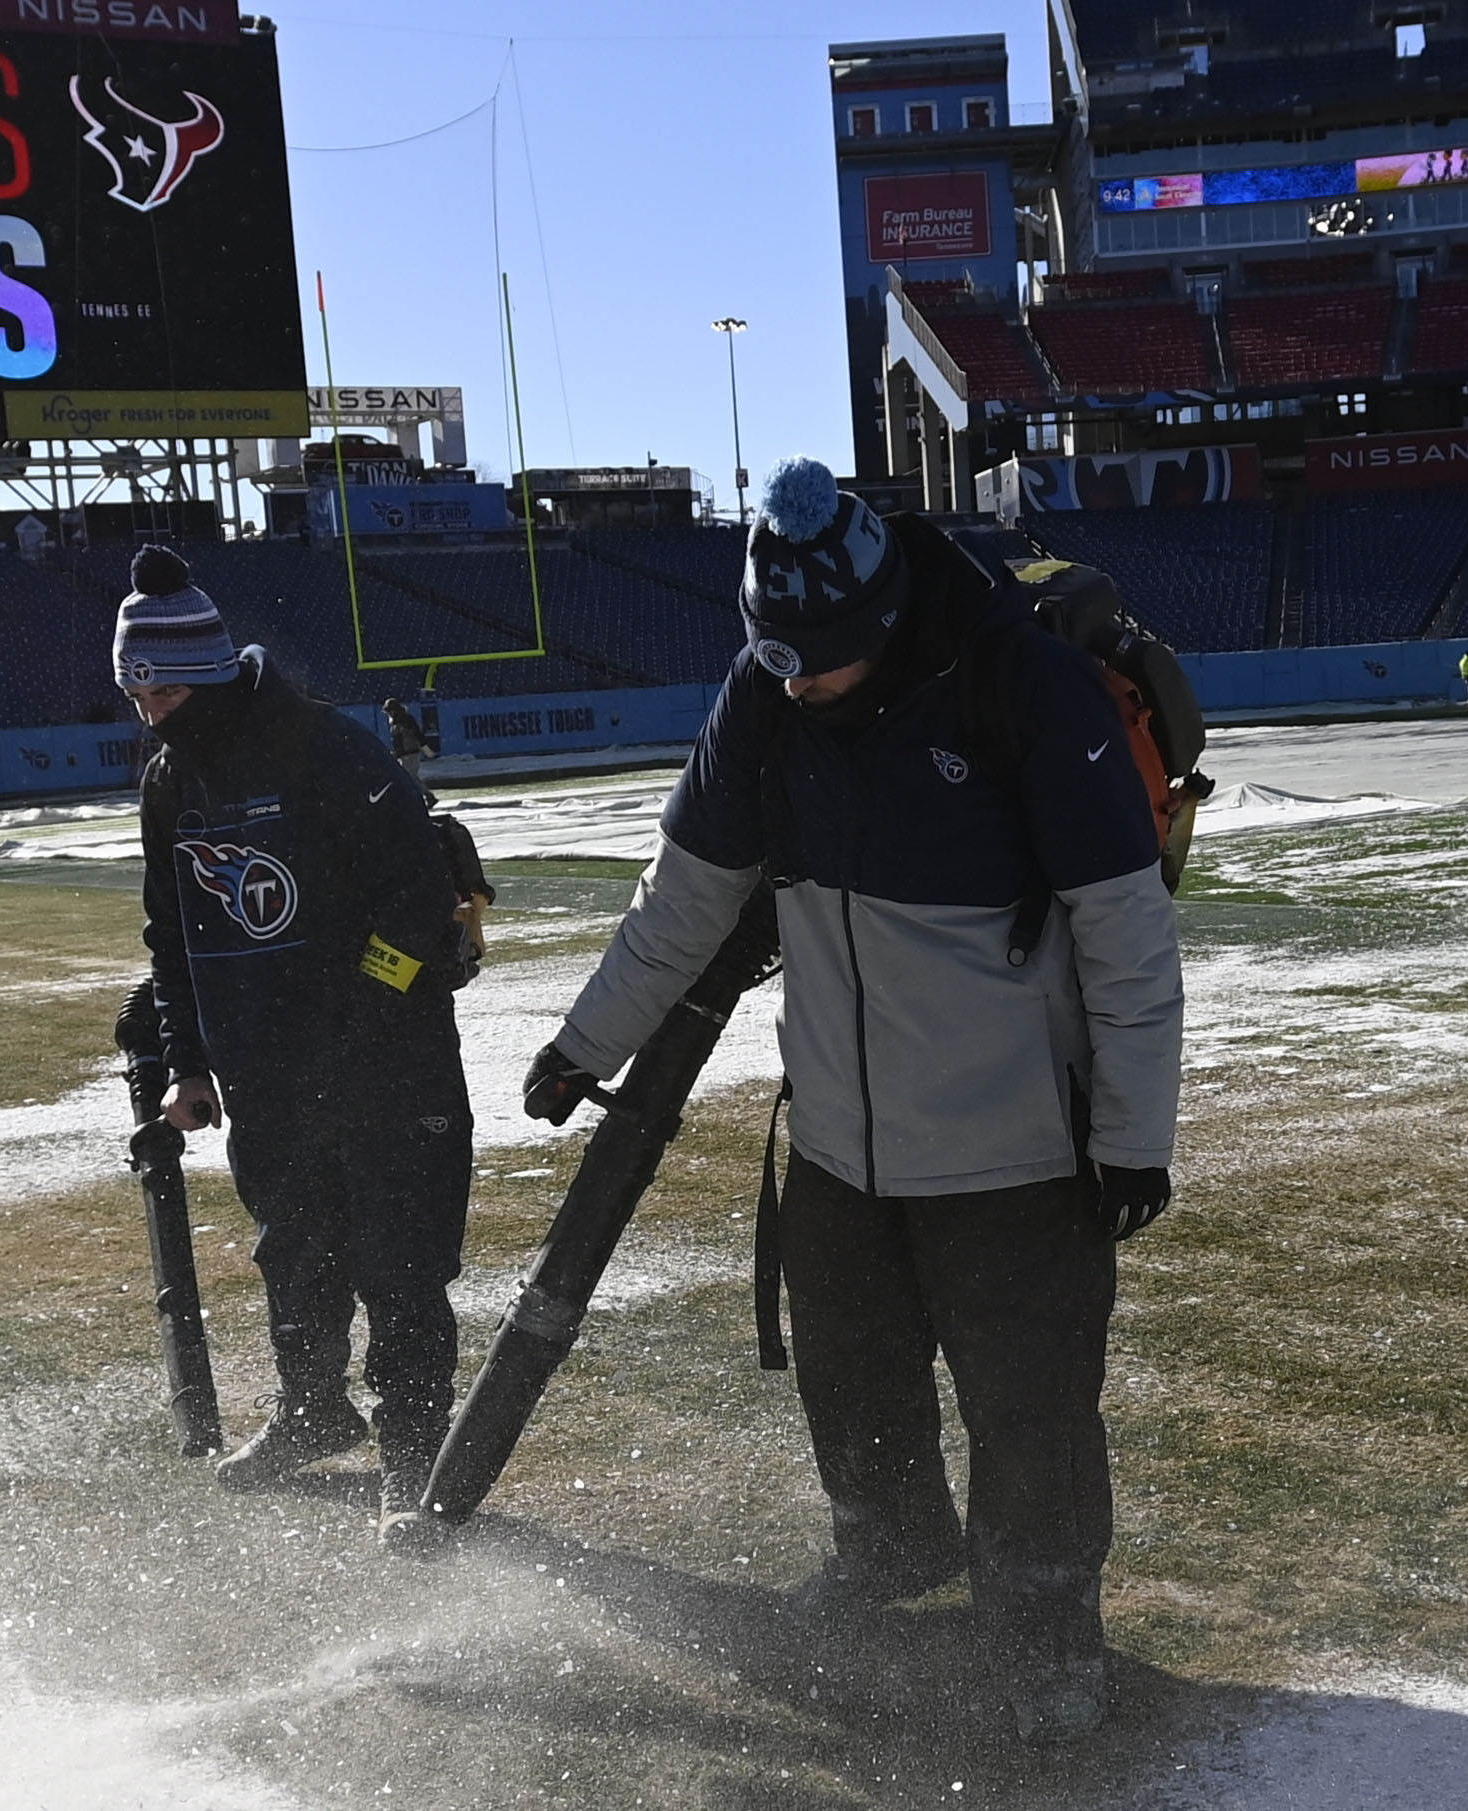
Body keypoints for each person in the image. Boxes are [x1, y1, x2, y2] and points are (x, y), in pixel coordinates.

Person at [520, 459, 1184, 1744]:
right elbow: (683, 902)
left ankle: (1047, 1637)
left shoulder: (1016, 685)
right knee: (853, 1380)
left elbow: (1124, 928)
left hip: (1016, 1155)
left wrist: (1133, 1136)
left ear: (879, 629)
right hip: (838, 1144)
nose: (791, 682)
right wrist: (581, 1044)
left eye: (813, 661)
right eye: (770, 657)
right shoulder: (766, 693)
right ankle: (888, 1558)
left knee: (1028, 1409)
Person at [117, 545, 476, 1549]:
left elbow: (418, 899)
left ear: (203, 670)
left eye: (160, 687)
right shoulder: (167, 783)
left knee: (399, 1265)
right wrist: (188, 1062)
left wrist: (359, 1018)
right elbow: (169, 938)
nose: (148, 708)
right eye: (137, 691)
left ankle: (413, 1458)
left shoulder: (327, 749)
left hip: (386, 1065)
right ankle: (314, 1410)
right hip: (265, 1078)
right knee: (295, 1254)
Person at [383, 698, 430, 783]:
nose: (388, 714)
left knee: (409, 777)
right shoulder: (397, 722)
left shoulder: (405, 721)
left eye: (389, 711)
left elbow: (416, 734)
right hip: (405, 753)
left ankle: (425, 795)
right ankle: (426, 794)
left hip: (410, 752)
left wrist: (425, 747)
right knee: (411, 777)